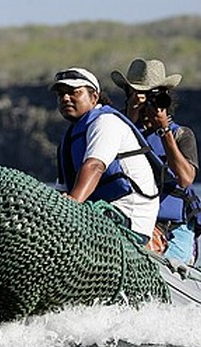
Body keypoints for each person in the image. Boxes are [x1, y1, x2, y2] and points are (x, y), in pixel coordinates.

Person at [112, 58, 201, 263]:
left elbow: (185, 179)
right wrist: (130, 119)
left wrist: (164, 131)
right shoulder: (116, 131)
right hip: (132, 222)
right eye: (139, 94)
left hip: (173, 227)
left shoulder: (181, 134)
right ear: (128, 96)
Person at [52, 67, 159, 240]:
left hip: (128, 215)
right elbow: (61, 190)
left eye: (73, 92)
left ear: (94, 97)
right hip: (96, 212)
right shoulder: (69, 139)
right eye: (61, 94)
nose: (65, 98)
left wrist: (71, 207)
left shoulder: (106, 122)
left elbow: (95, 166)